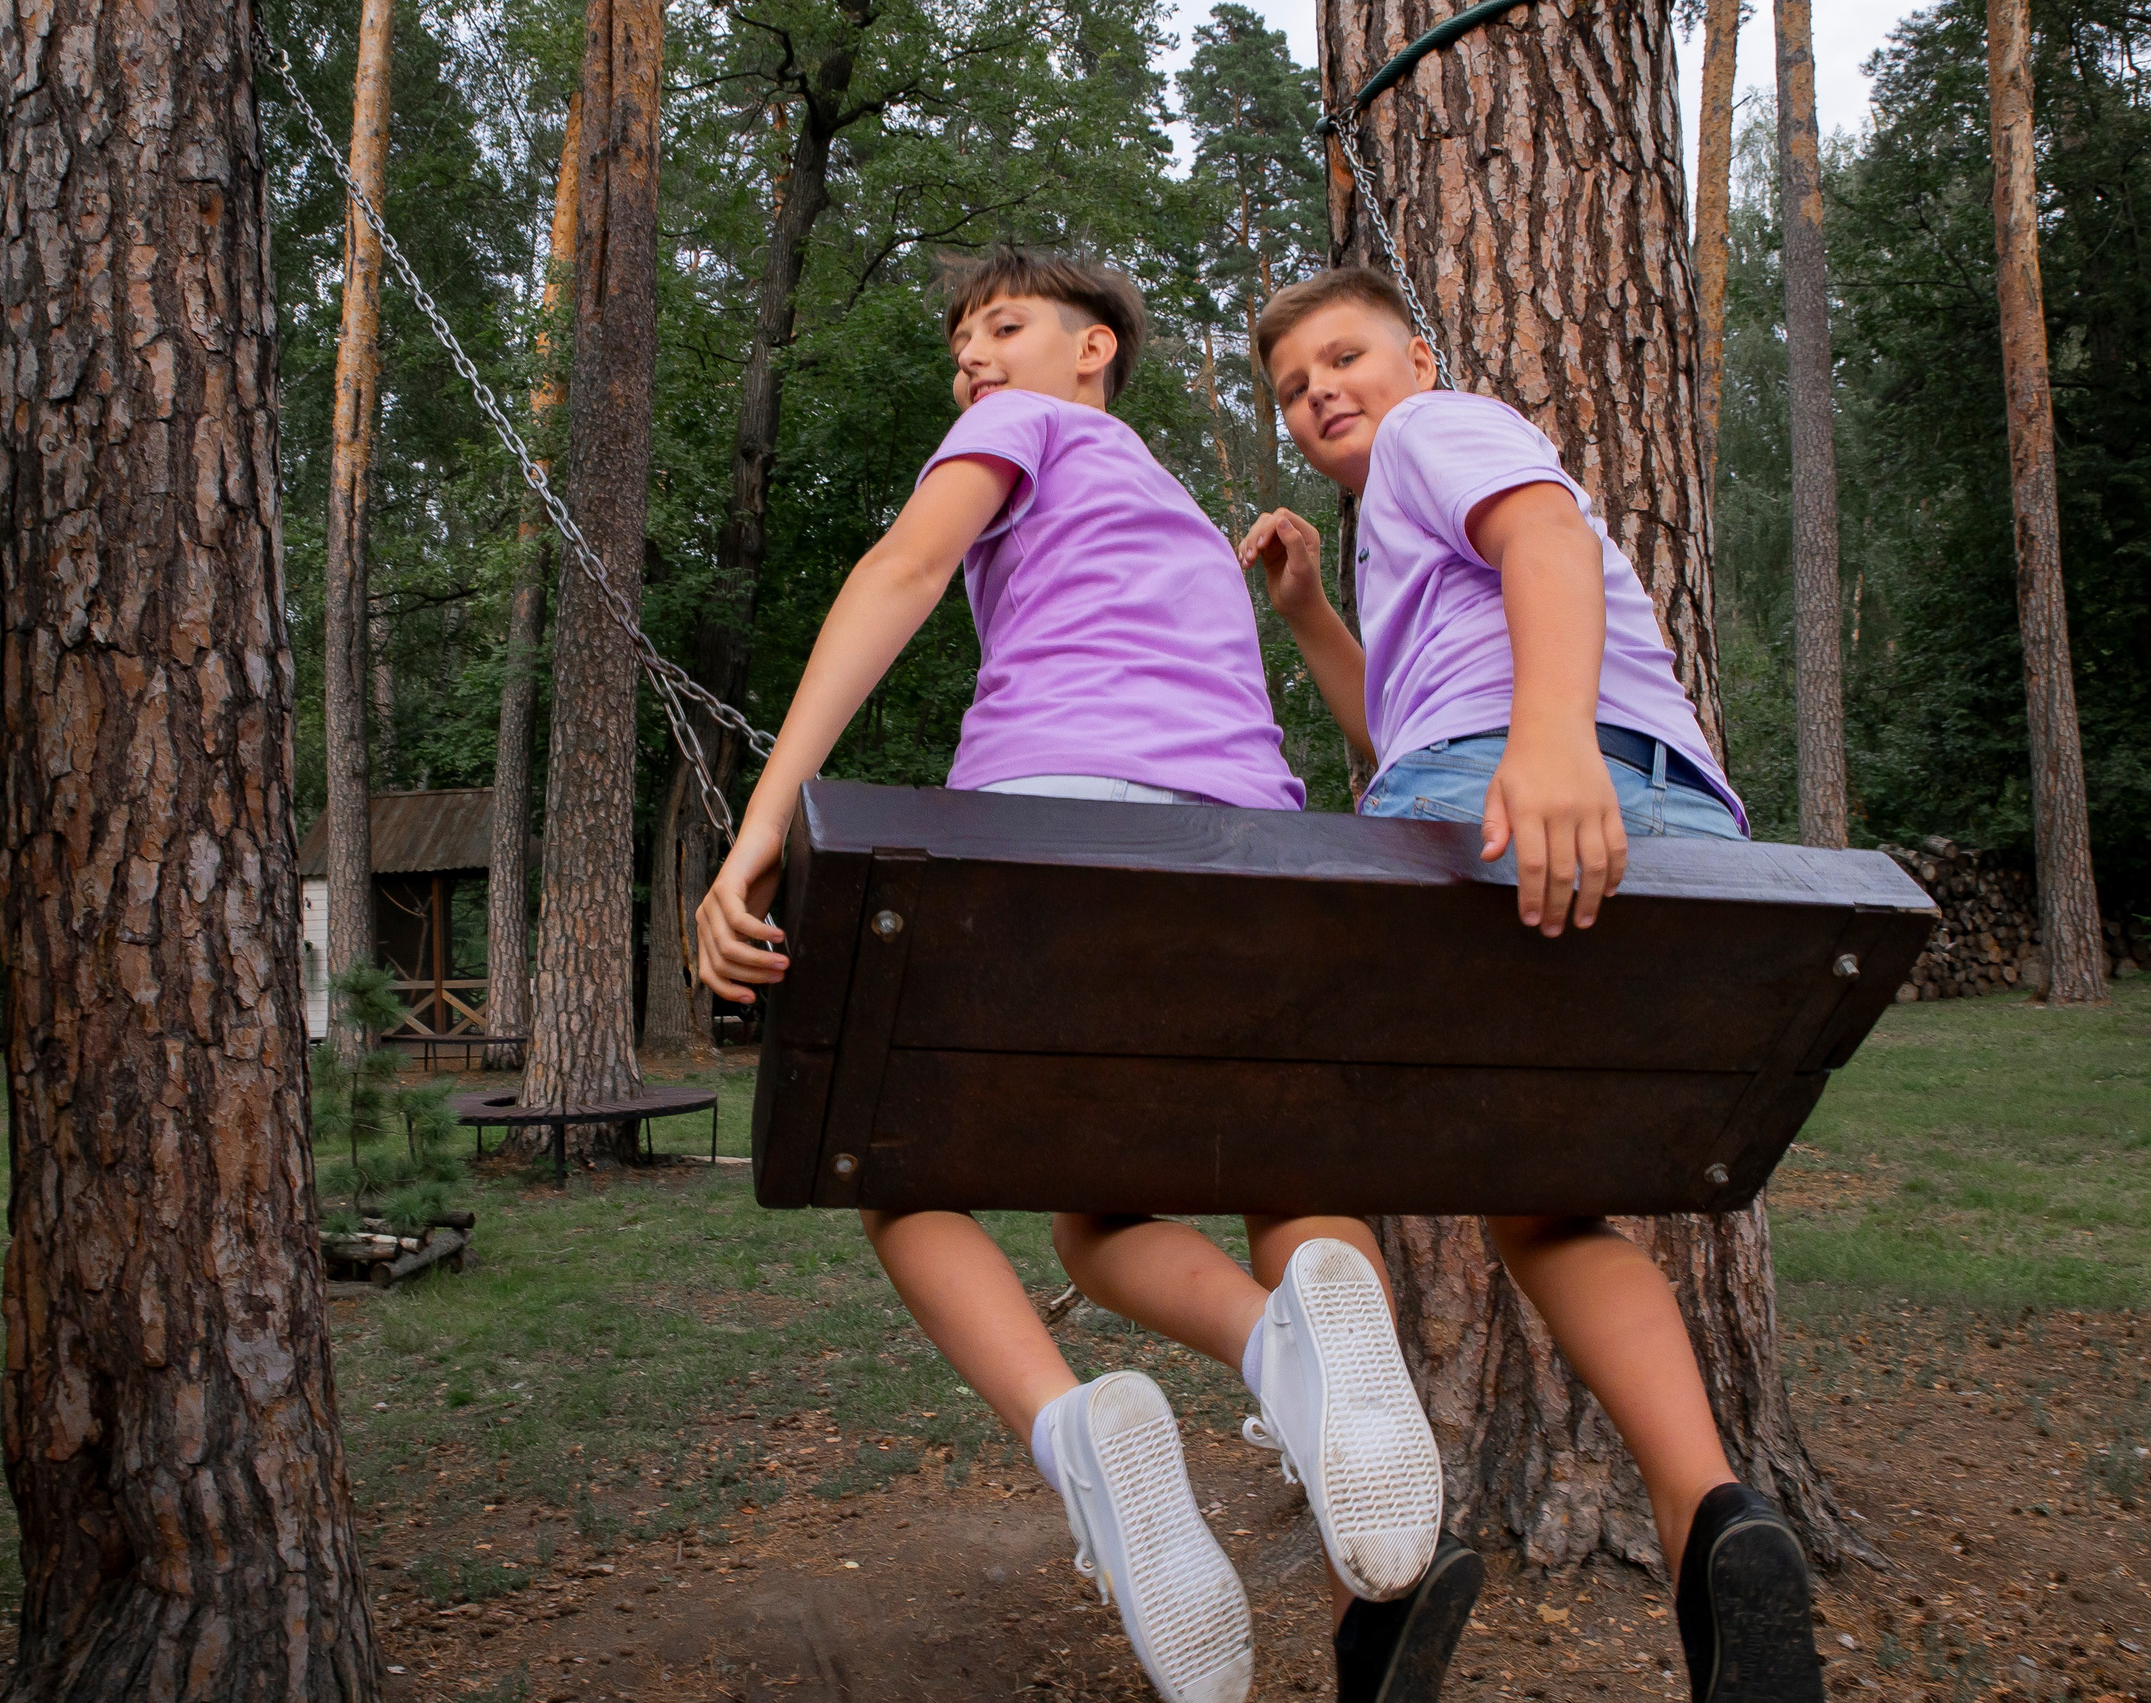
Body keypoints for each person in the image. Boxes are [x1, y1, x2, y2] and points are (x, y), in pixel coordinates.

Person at [692, 248, 1472, 1703]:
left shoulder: (1024, 430)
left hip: (1054, 832)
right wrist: (1310, 613)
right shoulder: (1178, 514)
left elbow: (905, 568)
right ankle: (1292, 1335)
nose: (972, 364)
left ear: (1093, 347)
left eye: (1002, 328)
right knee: (1184, 1191)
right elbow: (1387, 750)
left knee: (889, 1163)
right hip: (1252, 856)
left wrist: (760, 827)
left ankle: (1074, 1436)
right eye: (960, 351)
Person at [1242, 263, 1826, 1703]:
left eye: (1344, 357)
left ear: (1418, 356)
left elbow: (1548, 542)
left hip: (1531, 798)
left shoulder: (1442, 433)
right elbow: (1403, 717)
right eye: (1292, 391)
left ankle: (1378, 1577)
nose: (1319, 392)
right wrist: (1317, 611)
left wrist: (1550, 735)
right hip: (1649, 833)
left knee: (1278, 1147)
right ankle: (1712, 1521)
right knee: (1544, 1209)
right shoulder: (1393, 529)